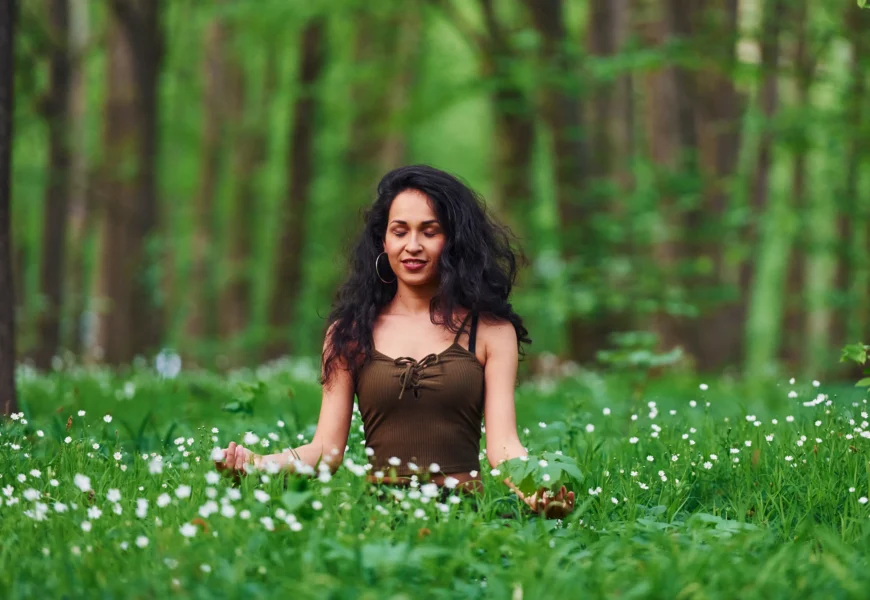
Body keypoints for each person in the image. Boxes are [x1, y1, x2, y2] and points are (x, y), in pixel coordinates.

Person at [216, 165, 575, 519]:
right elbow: (326, 450)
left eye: (429, 232)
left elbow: (503, 447)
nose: (413, 246)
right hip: (379, 522)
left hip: (465, 521)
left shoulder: (491, 331)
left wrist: (537, 488)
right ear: (383, 241)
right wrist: (259, 464)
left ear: (452, 241)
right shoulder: (349, 332)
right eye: (400, 231)